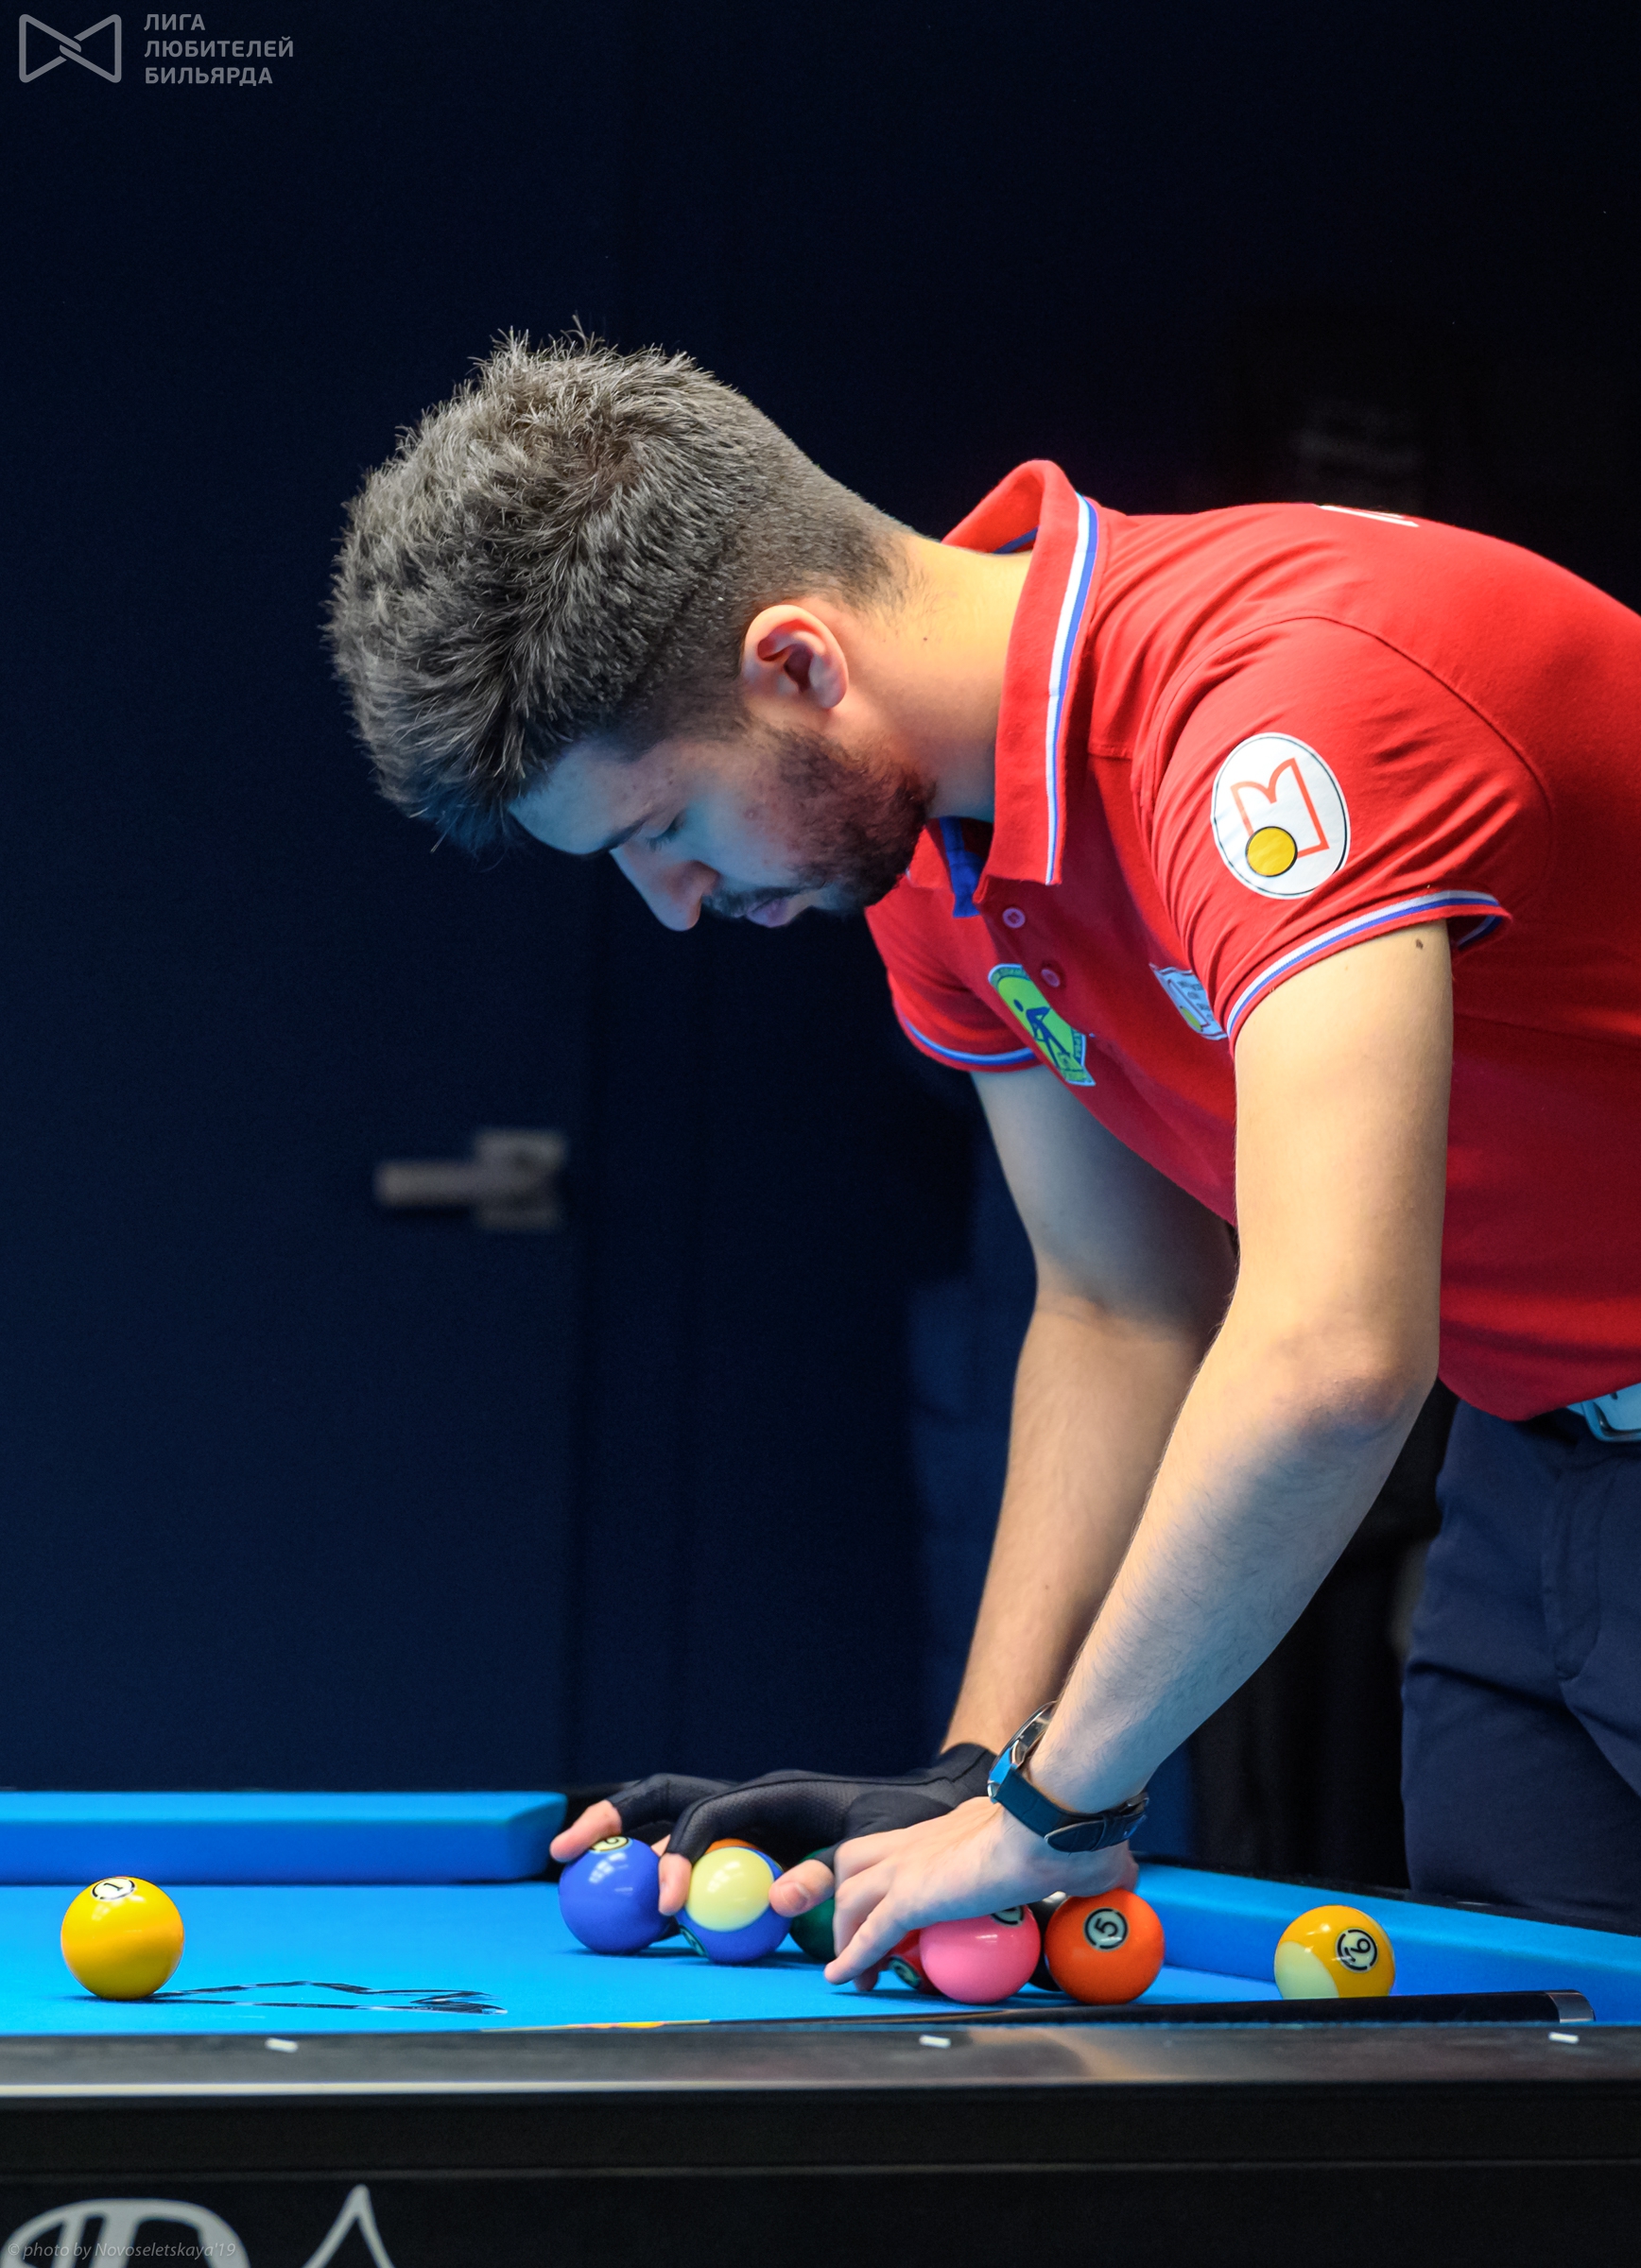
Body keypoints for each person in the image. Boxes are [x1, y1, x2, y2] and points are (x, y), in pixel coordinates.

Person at [327, 334, 1641, 1971]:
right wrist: (975, 1770)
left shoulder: (1276, 714)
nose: (670, 907)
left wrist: (1057, 1803)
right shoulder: (930, 855)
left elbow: (1332, 1356)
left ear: (798, 664)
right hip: (1534, 1475)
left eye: (663, 827)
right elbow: (1119, 1301)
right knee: (1537, 2084)